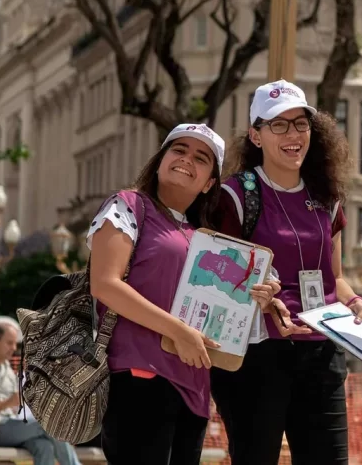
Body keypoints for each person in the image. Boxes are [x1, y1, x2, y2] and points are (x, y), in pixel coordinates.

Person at [86, 123, 277, 465]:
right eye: (178, 149)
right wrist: (178, 331)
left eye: (201, 157)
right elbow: (105, 284)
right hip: (140, 377)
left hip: (194, 391)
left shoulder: (206, 238)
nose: (187, 159)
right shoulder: (128, 205)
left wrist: (260, 295)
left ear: (209, 183)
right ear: (160, 160)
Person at [210, 79, 362, 465]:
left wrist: (355, 301)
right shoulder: (234, 195)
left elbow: (335, 275)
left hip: (322, 352)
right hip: (258, 356)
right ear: (256, 135)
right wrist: (267, 303)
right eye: (278, 125)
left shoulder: (327, 198)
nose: (293, 134)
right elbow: (219, 275)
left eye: (300, 124)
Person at [0, 323, 81, 465]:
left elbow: (15, 407)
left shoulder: (7, 371)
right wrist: (8, 403)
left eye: (15, 344)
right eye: (9, 343)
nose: (14, 348)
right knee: (46, 425)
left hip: (10, 425)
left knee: (43, 446)